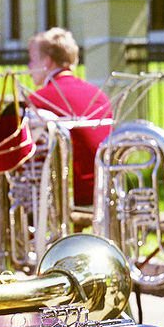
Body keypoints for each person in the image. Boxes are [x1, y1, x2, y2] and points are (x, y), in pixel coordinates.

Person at [25, 28, 114, 207]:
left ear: (48, 62)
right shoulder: (99, 95)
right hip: (104, 186)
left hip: (64, 191)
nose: (28, 67)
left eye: (32, 59)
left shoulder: (38, 100)